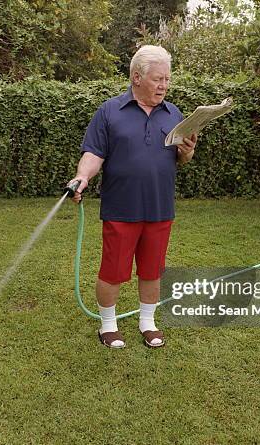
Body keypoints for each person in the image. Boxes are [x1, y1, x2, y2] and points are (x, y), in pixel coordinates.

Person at [68, 45, 196, 349]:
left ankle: (147, 323)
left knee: (153, 270)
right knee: (113, 272)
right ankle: (108, 326)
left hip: (160, 207)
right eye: (157, 79)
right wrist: (82, 177)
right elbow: (93, 153)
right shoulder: (109, 112)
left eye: (167, 79)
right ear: (136, 78)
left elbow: (181, 159)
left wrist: (187, 152)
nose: (164, 85)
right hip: (121, 208)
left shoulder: (174, 113)